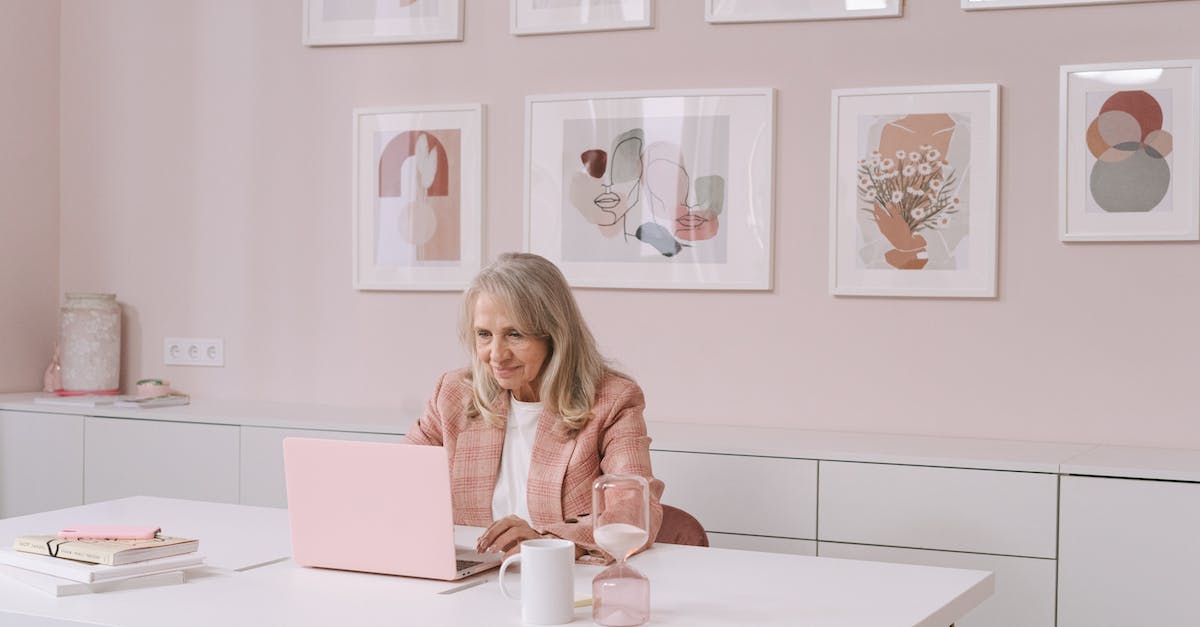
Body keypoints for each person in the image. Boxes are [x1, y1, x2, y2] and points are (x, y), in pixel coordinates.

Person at [404, 252, 664, 563]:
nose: (496, 355)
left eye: (515, 334)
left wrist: (546, 542)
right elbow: (396, 477)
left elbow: (636, 509)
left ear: (554, 336)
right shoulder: (454, 394)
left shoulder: (612, 399)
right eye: (484, 335)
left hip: (564, 579)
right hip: (471, 577)